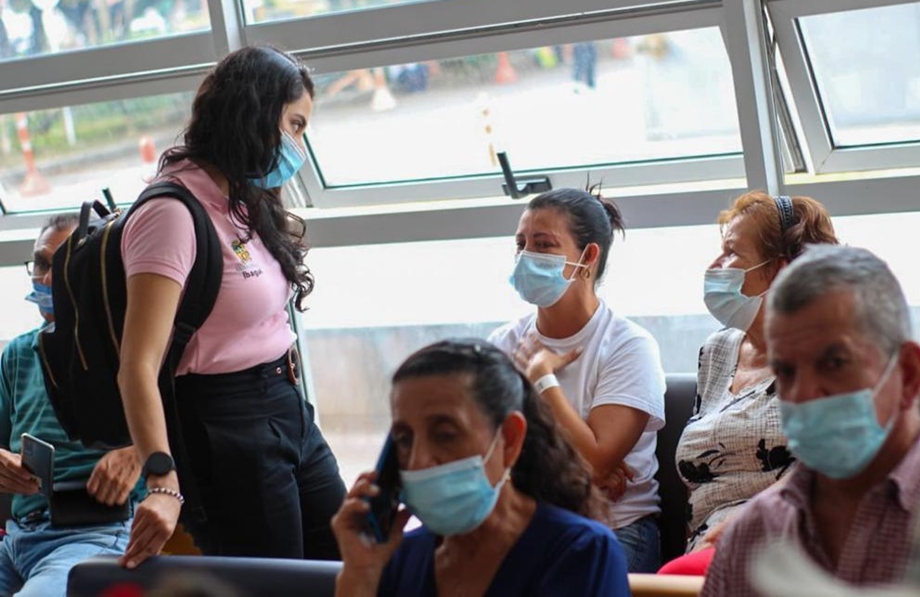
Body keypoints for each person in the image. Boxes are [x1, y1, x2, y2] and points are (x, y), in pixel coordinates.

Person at [115, 45, 346, 567]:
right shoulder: (171, 213)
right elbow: (137, 366)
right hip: (226, 426)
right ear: (254, 113)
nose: (298, 146)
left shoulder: (239, 197)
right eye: (294, 125)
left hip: (285, 404)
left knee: (347, 562)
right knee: (276, 582)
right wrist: (162, 480)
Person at [701, 244, 920, 596]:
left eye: (834, 363)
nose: (802, 395)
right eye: (786, 371)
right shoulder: (754, 536)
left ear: (907, 374)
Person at [332, 339, 630, 596]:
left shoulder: (581, 553)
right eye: (404, 439)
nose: (418, 461)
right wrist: (360, 578)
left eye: (445, 434)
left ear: (509, 440)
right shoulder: (398, 559)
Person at [488, 187, 666, 573]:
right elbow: (483, 457)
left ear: (588, 257)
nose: (526, 256)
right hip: (525, 526)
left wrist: (541, 378)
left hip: (613, 528)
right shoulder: (502, 343)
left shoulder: (629, 345)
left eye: (543, 244)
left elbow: (596, 462)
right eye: (521, 244)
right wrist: (573, 473)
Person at [664, 192, 838, 575]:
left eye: (731, 253)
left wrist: (744, 524)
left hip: (785, 544)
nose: (714, 266)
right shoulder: (717, 350)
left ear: (779, 271)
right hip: (705, 550)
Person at [0, 214, 144, 597]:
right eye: (41, 264)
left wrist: (139, 451)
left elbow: (192, 428)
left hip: (98, 532)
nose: (48, 279)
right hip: (18, 536)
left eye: (63, 265)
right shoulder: (17, 355)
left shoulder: (131, 352)